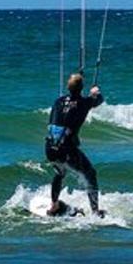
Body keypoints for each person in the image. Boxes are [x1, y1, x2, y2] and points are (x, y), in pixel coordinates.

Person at [45, 73, 105, 217]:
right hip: (66, 149)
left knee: (60, 172)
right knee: (90, 174)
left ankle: (54, 206)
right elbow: (99, 100)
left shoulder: (58, 101)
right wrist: (95, 92)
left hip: (50, 147)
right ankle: (95, 212)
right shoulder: (84, 103)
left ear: (68, 87)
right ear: (81, 88)